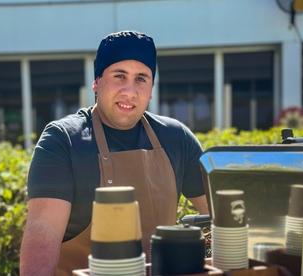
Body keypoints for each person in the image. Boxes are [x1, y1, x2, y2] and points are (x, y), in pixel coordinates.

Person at [20, 30, 209, 276]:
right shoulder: (63, 140)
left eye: (141, 78)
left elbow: (222, 212)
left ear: (151, 88)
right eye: (120, 76)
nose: (130, 91)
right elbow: (43, 233)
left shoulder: (176, 138)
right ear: (97, 82)